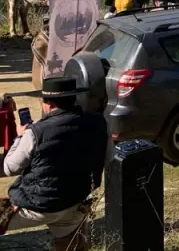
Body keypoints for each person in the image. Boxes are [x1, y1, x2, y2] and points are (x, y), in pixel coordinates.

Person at [1, 77, 112, 251]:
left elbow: (9, 167)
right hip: (75, 202)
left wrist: (21, 135)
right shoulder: (99, 122)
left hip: (38, 205)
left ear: (48, 104)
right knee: (71, 245)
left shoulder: (35, 132)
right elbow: (108, 158)